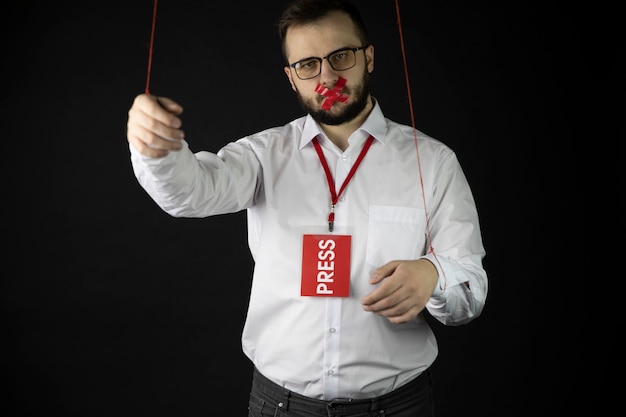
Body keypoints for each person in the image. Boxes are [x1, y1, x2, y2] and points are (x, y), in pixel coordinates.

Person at [126, 0, 488, 415]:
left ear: (368, 57)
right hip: (279, 406)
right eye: (308, 65)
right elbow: (189, 192)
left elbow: (470, 291)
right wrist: (154, 148)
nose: (327, 76)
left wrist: (433, 274)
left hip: (397, 406)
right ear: (291, 78)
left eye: (341, 56)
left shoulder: (435, 163)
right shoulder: (263, 154)